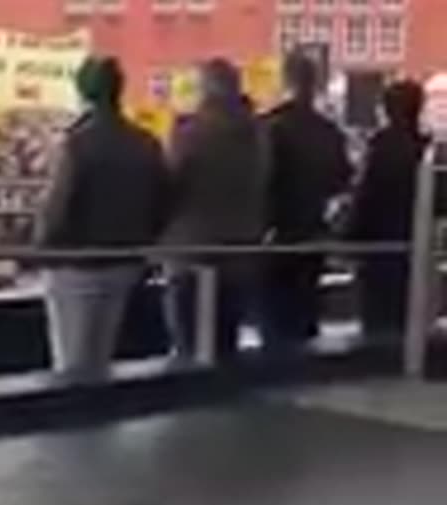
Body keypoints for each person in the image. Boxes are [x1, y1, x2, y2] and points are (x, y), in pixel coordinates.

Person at [37, 56, 171, 384]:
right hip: (125, 262)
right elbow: (163, 202)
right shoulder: (146, 143)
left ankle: (78, 423)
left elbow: (57, 209)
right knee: (102, 353)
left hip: (77, 263)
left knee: (72, 360)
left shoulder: (78, 144)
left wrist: (40, 247)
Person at [162, 59, 271, 364]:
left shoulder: (190, 133)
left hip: (192, 253)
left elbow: (171, 184)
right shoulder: (258, 134)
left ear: (206, 91)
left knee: (187, 346)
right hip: (241, 251)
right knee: (227, 344)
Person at [260, 51, 352, 356]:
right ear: (315, 84)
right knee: (306, 312)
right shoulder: (329, 132)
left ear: (285, 80)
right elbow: (342, 180)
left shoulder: (270, 126)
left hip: (276, 237)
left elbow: (259, 179)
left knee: (274, 316)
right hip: (313, 234)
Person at [344, 80, 429, 342]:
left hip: (379, 245)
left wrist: (350, 235)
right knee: (408, 312)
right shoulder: (425, 148)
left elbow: (366, 195)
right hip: (416, 244)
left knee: (377, 316)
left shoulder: (380, 147)